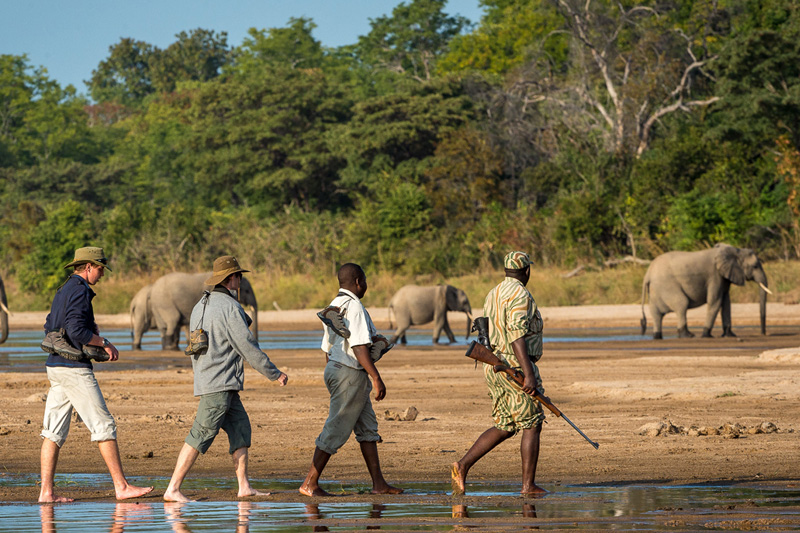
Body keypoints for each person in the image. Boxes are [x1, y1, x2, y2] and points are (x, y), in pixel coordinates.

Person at [163, 255, 289, 502]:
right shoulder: (231, 307)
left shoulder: (201, 304)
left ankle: (244, 486)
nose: (241, 280)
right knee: (200, 434)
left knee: (240, 429)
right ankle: (173, 489)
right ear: (231, 278)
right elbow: (247, 345)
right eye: (239, 276)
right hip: (219, 384)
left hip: (216, 381)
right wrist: (274, 373)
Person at [39, 246, 153, 503]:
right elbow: (76, 330)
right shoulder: (79, 290)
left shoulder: (64, 289)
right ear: (89, 266)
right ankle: (121, 486)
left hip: (55, 366)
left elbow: (50, 324)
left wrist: (89, 331)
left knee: (53, 432)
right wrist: (103, 342)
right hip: (74, 369)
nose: (103, 274)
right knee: (104, 425)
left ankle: (46, 493)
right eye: (101, 268)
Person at [451, 251, 550, 496]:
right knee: (532, 423)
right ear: (527, 271)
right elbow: (516, 334)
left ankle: (462, 466)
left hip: (493, 366)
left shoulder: (493, 293)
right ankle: (528, 486)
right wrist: (528, 373)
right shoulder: (520, 294)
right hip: (512, 367)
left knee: (505, 424)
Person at [299, 263, 402, 497]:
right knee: (337, 427)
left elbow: (327, 348)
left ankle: (379, 484)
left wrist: (335, 374)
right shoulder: (354, 306)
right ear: (358, 282)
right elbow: (358, 346)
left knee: (367, 429)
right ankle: (309, 483)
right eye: (364, 281)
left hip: (340, 370)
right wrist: (376, 377)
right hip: (349, 373)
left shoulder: (335, 306)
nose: (366, 285)